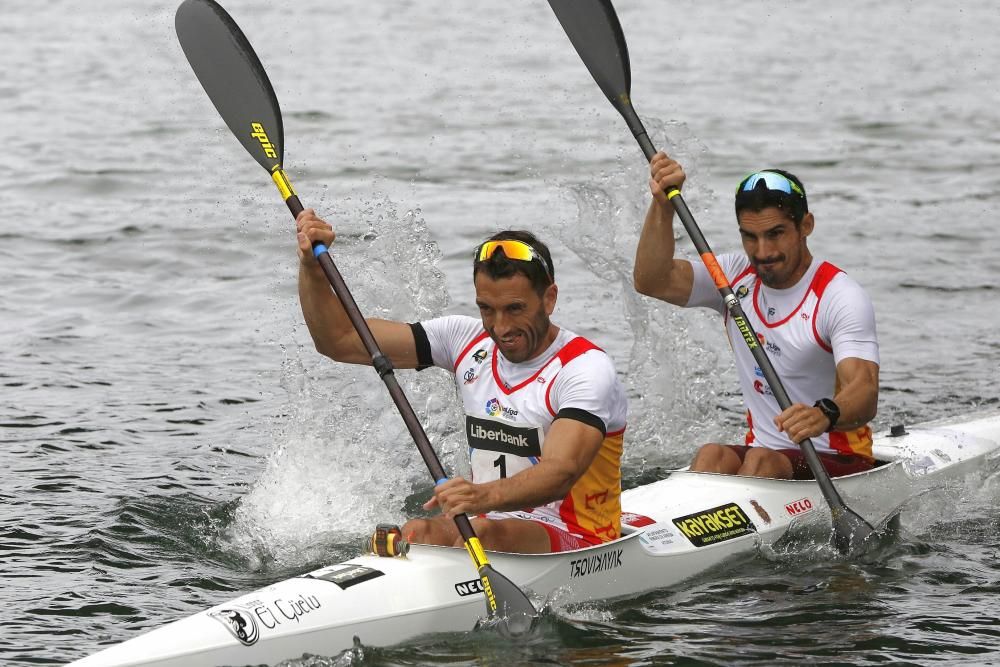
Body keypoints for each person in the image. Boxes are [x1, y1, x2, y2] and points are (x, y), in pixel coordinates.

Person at [296, 210, 627, 553]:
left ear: (549, 299)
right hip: (487, 523)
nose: (500, 328)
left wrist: (481, 495)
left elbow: (561, 472)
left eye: (515, 309)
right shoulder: (463, 339)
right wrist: (311, 268)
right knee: (415, 532)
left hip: (581, 539)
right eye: (486, 309)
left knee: (485, 535)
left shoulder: (584, 368)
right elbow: (339, 339)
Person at [633, 152, 879, 480]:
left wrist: (824, 414)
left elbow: (865, 390)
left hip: (838, 458)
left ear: (806, 225)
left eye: (775, 234)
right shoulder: (732, 278)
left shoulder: (838, 296)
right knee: (712, 454)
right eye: (750, 237)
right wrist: (663, 206)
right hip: (764, 455)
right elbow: (652, 280)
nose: (763, 252)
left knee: (761, 462)